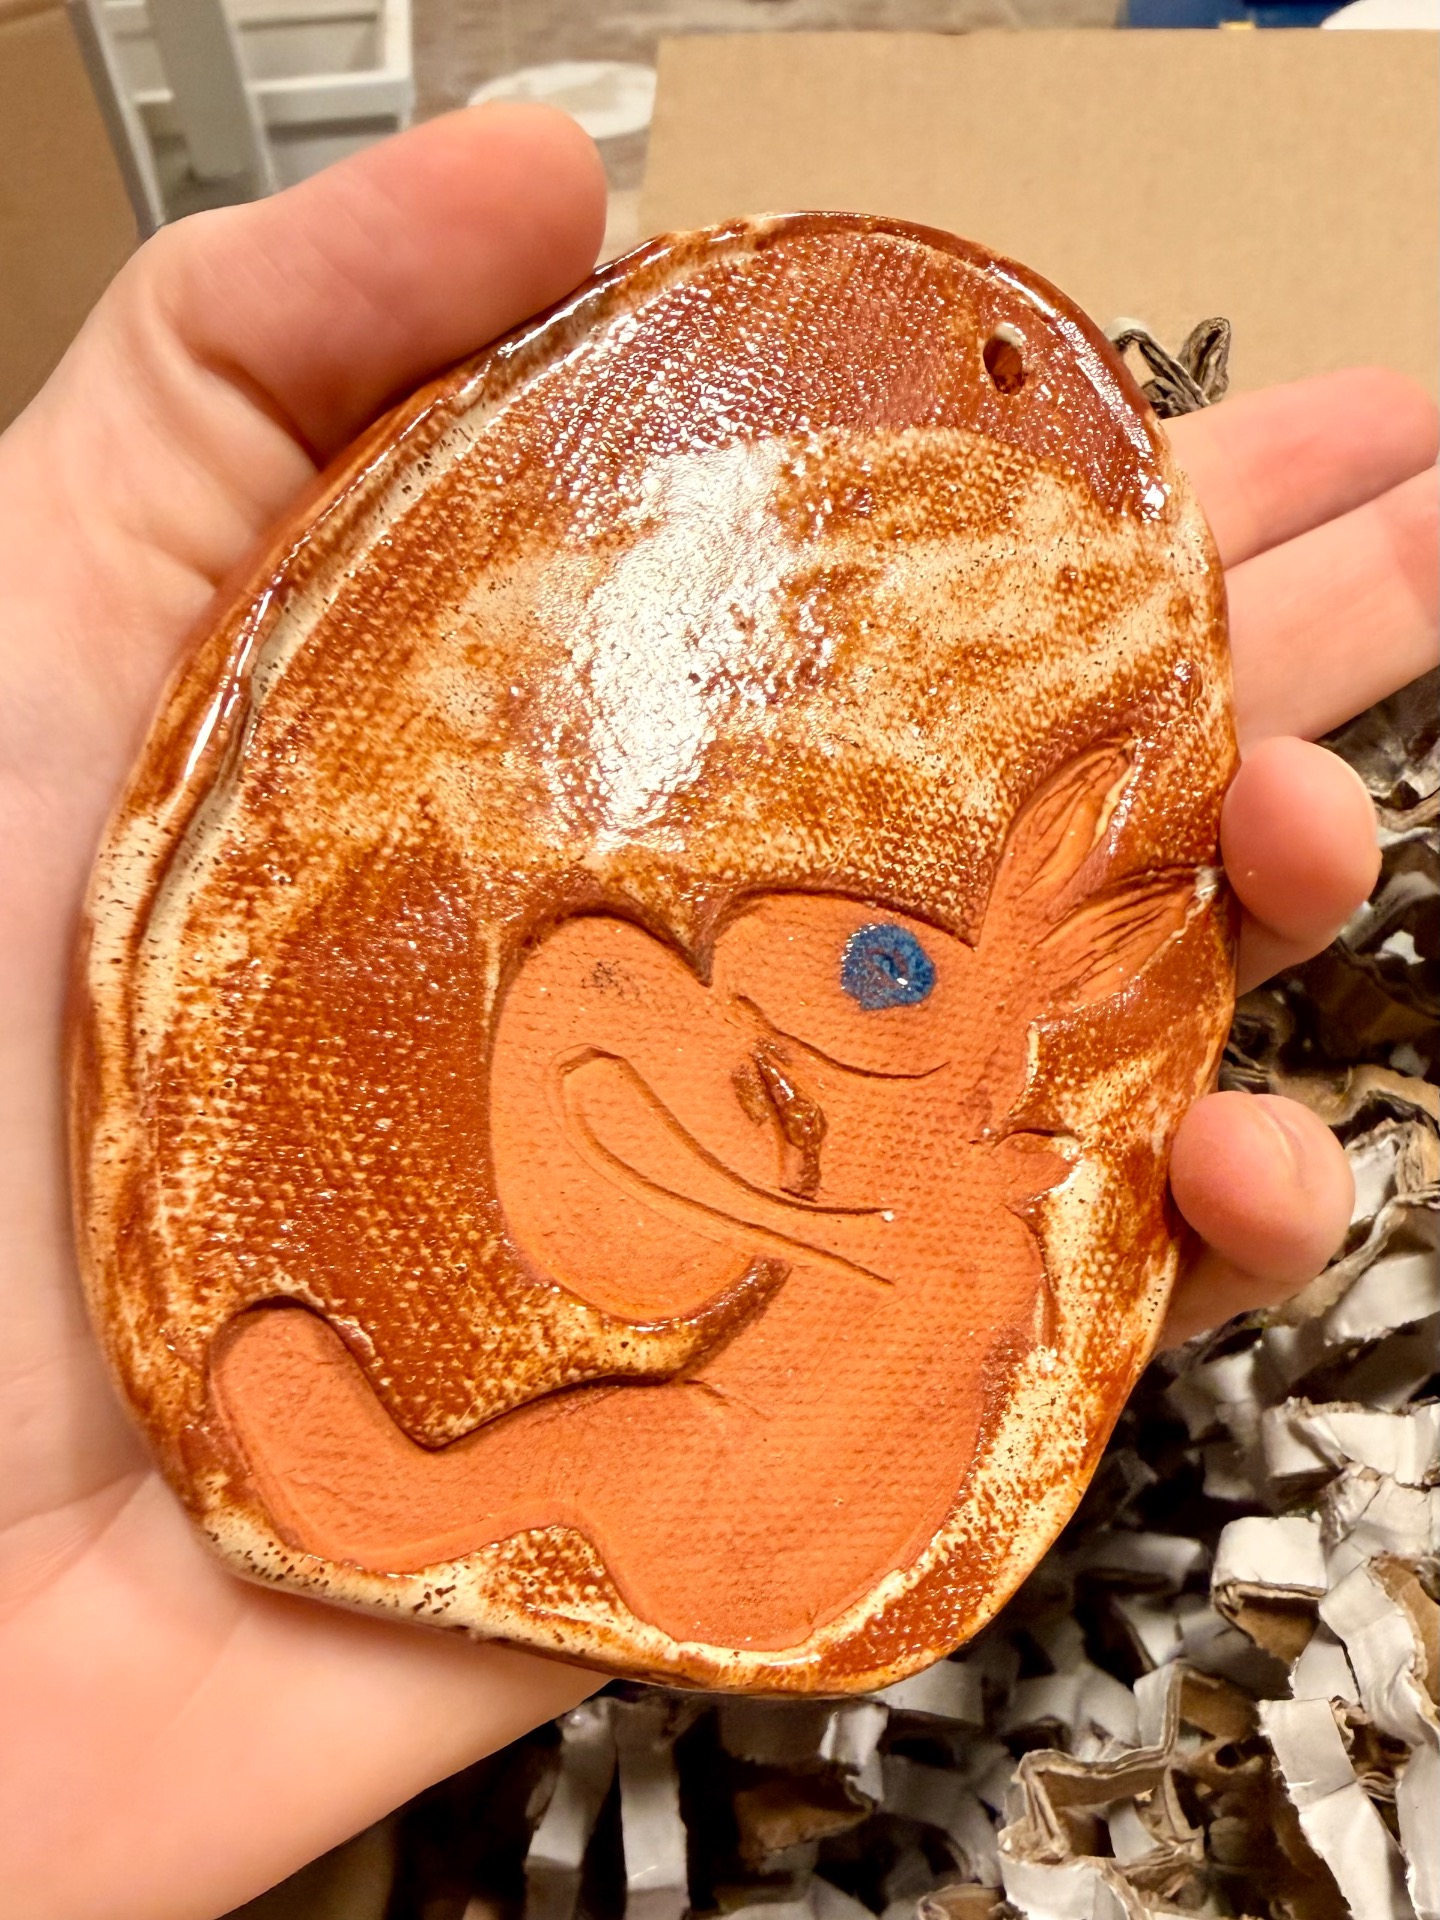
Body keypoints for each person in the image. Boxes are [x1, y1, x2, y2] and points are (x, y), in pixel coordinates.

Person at [0, 103, 1433, 1920]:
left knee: (645, 1388)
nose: (771, 953)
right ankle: (416, 1484)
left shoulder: (967, 1165)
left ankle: (423, 1489)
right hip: (643, 1445)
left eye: (885, 966)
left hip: (787, 1495)